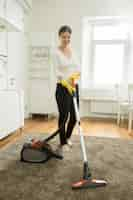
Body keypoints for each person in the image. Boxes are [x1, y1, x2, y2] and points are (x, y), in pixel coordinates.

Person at [53, 25, 80, 155]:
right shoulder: (56, 52)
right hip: (62, 88)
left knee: (75, 117)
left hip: (74, 86)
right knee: (64, 116)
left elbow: (78, 68)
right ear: (59, 37)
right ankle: (62, 142)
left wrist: (74, 78)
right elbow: (57, 72)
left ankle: (67, 137)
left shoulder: (73, 51)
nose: (66, 39)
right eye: (64, 37)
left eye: (68, 37)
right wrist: (66, 81)